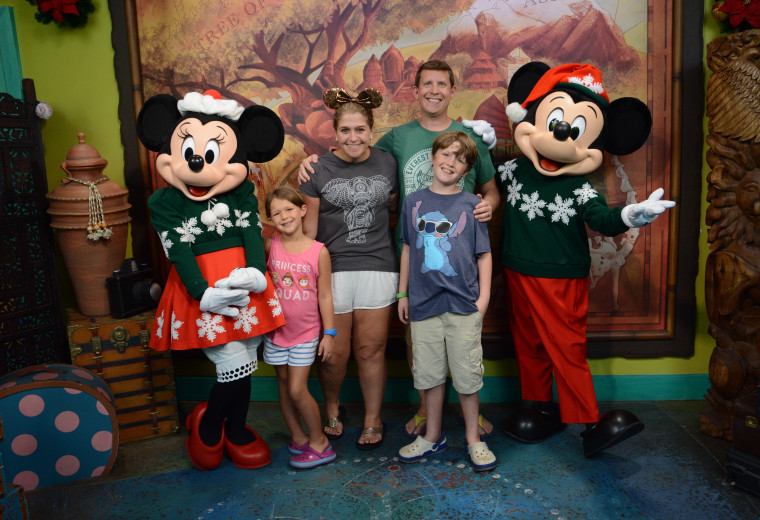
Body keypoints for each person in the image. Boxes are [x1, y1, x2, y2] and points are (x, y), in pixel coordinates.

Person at [299, 60, 500, 439]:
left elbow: (490, 188)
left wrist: (491, 204)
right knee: (419, 341)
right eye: (427, 84)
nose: (434, 91)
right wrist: (314, 161)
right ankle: (426, 409)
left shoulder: (468, 136)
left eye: (442, 84)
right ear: (416, 89)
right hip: (412, 256)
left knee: (464, 339)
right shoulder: (396, 139)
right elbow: (354, 152)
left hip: (459, 261)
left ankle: (469, 413)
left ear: (452, 90)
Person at [136, 90, 286, 471]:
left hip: (244, 283)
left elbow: (252, 232)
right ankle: (211, 425)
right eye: (189, 153)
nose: (199, 165)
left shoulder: (241, 193)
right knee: (231, 362)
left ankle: (234, 427)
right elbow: (178, 250)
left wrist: (256, 271)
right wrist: (202, 294)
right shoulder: (165, 203)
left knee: (246, 358)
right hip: (201, 287)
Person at [300, 87, 399, 450]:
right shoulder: (317, 168)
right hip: (333, 269)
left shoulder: (389, 162)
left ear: (372, 131)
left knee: (371, 349)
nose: (353, 137)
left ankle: (373, 418)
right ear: (335, 132)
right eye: (346, 130)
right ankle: (332, 406)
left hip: (378, 265)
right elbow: (308, 230)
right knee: (335, 353)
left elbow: (400, 205)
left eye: (360, 130)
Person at [396, 131, 495, 472]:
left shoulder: (472, 205)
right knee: (429, 375)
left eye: (460, 158)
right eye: (446, 154)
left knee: (467, 377)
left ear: (466, 169)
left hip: (463, 305)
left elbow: (484, 255)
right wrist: (403, 293)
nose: (450, 162)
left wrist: (482, 300)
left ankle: (473, 438)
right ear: (433, 155)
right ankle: (432, 436)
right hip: (423, 305)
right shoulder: (413, 203)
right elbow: (408, 249)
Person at [263, 186, 337, 469]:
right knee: (283, 387)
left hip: (306, 335)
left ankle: (319, 442)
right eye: (276, 213)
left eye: (289, 209)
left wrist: (329, 334)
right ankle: (298, 437)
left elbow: (325, 295)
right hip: (276, 332)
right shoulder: (271, 246)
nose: (283, 216)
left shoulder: (319, 252)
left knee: (297, 389)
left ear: (302, 210)